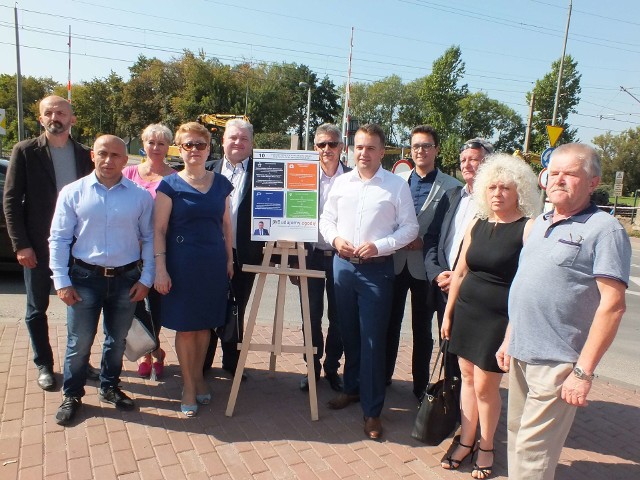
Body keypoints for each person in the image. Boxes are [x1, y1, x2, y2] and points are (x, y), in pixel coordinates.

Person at [496, 143, 631, 480]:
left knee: (533, 452)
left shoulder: (605, 229)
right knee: (516, 438)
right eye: (553, 172)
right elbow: (524, 287)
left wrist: (582, 373)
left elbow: (612, 306)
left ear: (592, 182)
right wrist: (508, 340)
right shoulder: (539, 223)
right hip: (522, 354)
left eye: (571, 174)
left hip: (557, 362)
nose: (559, 180)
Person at [439, 154, 540, 479]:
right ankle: (466, 440)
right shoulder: (477, 223)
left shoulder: (528, 228)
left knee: (485, 386)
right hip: (467, 312)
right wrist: (448, 314)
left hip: (499, 319)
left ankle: (486, 446)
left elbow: (526, 286)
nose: (498, 193)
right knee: (467, 378)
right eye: (493, 186)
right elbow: (460, 271)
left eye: (505, 187)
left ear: (519, 190)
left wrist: (511, 334)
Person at [319, 123, 418, 440]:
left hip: (377, 269)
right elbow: (326, 219)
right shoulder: (342, 182)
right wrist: (334, 238)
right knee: (348, 333)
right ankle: (352, 389)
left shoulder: (395, 186)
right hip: (343, 267)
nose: (364, 153)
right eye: (359, 147)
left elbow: (409, 229)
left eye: (371, 147)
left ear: (382, 150)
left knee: (373, 340)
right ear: (352, 148)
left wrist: (381, 245)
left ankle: (373, 411)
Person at [49, 135, 155, 425]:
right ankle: (72, 394)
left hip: (126, 279)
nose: (109, 160)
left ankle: (110, 386)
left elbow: (148, 239)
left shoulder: (140, 196)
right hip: (84, 278)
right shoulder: (73, 192)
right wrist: (61, 280)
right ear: (93, 156)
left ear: (125, 160)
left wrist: (147, 278)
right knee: (79, 342)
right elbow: (58, 238)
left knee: (117, 341)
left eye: (116, 155)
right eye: (103, 154)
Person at [3, 95, 97, 391]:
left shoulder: (84, 154)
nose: (55, 116)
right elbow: (11, 201)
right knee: (36, 308)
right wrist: (21, 244)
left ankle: (80, 361)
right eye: (48, 112)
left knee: (81, 308)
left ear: (72, 118)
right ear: (41, 119)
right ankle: (44, 363)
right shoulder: (26, 151)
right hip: (39, 246)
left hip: (79, 248)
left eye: (61, 112)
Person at [154, 122, 234, 417]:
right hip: (181, 264)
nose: (195, 150)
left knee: (204, 325)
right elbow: (159, 230)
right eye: (188, 145)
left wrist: (228, 260)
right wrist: (160, 268)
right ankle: (188, 385)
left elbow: (226, 225)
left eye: (200, 145)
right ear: (180, 148)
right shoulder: (170, 185)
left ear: (208, 148)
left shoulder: (221, 183)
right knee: (186, 328)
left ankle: (199, 377)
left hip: (212, 264)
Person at [386, 125, 461, 399]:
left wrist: (425, 245)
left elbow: (450, 230)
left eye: (427, 146)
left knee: (422, 331)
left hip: (426, 269)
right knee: (389, 325)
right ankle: (384, 377)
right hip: (395, 264)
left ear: (436, 149)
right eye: (416, 145)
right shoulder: (397, 180)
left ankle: (420, 386)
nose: (421, 150)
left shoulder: (454, 188)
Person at [424, 138, 494, 380]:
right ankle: (445, 406)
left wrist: (461, 277)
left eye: (474, 159)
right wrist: (436, 273)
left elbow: (496, 250)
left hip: (471, 290)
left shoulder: (494, 202)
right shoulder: (452, 195)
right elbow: (432, 238)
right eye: (463, 160)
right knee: (447, 350)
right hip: (442, 284)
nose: (467, 165)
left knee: (465, 358)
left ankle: (461, 412)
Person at [204, 119, 265, 378]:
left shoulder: (264, 173)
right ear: (223, 141)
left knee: (237, 307)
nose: (238, 143)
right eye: (233, 138)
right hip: (208, 254)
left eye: (244, 139)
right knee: (207, 307)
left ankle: (232, 362)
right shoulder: (206, 170)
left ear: (251, 144)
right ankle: (202, 362)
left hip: (245, 253)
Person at [297, 123, 349, 393]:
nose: (327, 149)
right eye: (321, 145)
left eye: (332, 144)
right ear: (314, 148)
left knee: (338, 316)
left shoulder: (353, 178)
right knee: (311, 315)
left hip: (342, 257)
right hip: (310, 255)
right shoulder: (302, 176)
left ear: (341, 147)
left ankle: (332, 367)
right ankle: (312, 367)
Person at [122, 123, 177, 379]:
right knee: (133, 306)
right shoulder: (128, 173)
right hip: (128, 253)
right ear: (143, 144)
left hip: (159, 252)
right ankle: (149, 351)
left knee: (155, 306)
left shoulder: (175, 177)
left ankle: (152, 351)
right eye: (151, 142)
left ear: (169, 147)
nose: (156, 148)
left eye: (162, 143)